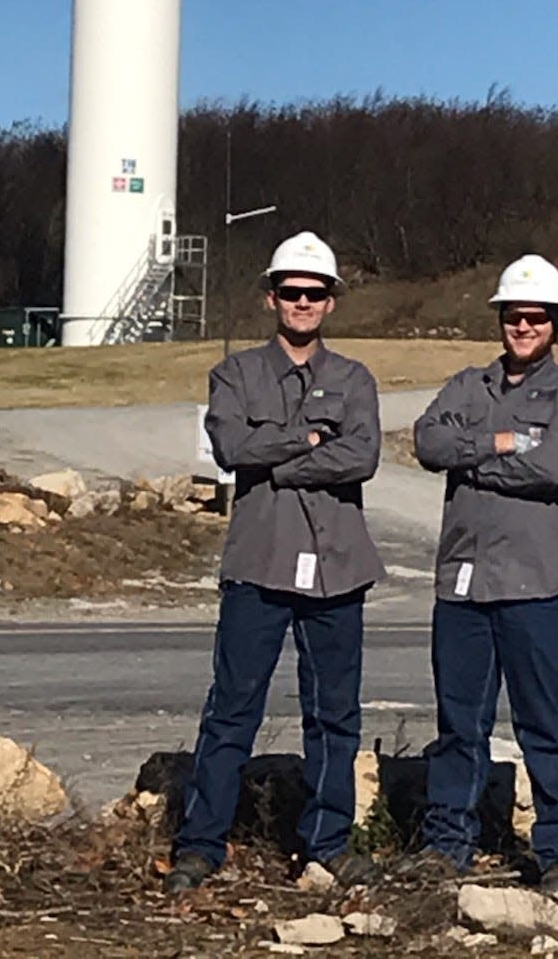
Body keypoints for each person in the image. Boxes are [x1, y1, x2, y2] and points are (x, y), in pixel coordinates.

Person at [165, 231, 384, 894]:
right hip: (258, 565)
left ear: (331, 302)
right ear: (272, 297)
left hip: (338, 566)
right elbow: (232, 446)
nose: (303, 302)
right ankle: (202, 844)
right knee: (233, 710)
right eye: (291, 291)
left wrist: (279, 455)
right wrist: (312, 438)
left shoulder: (355, 379)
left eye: (315, 292)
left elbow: (363, 456)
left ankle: (329, 844)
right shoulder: (235, 374)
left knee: (335, 715)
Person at [409, 254, 558, 891]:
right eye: (514, 316)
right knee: (458, 724)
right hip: (463, 582)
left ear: (555, 324)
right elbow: (428, 443)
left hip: (539, 585)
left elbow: (552, 470)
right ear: (501, 319)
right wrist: (501, 442)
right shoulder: (470, 385)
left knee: (544, 724)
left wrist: (472, 460)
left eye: (536, 317)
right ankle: (447, 844)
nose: (523, 326)